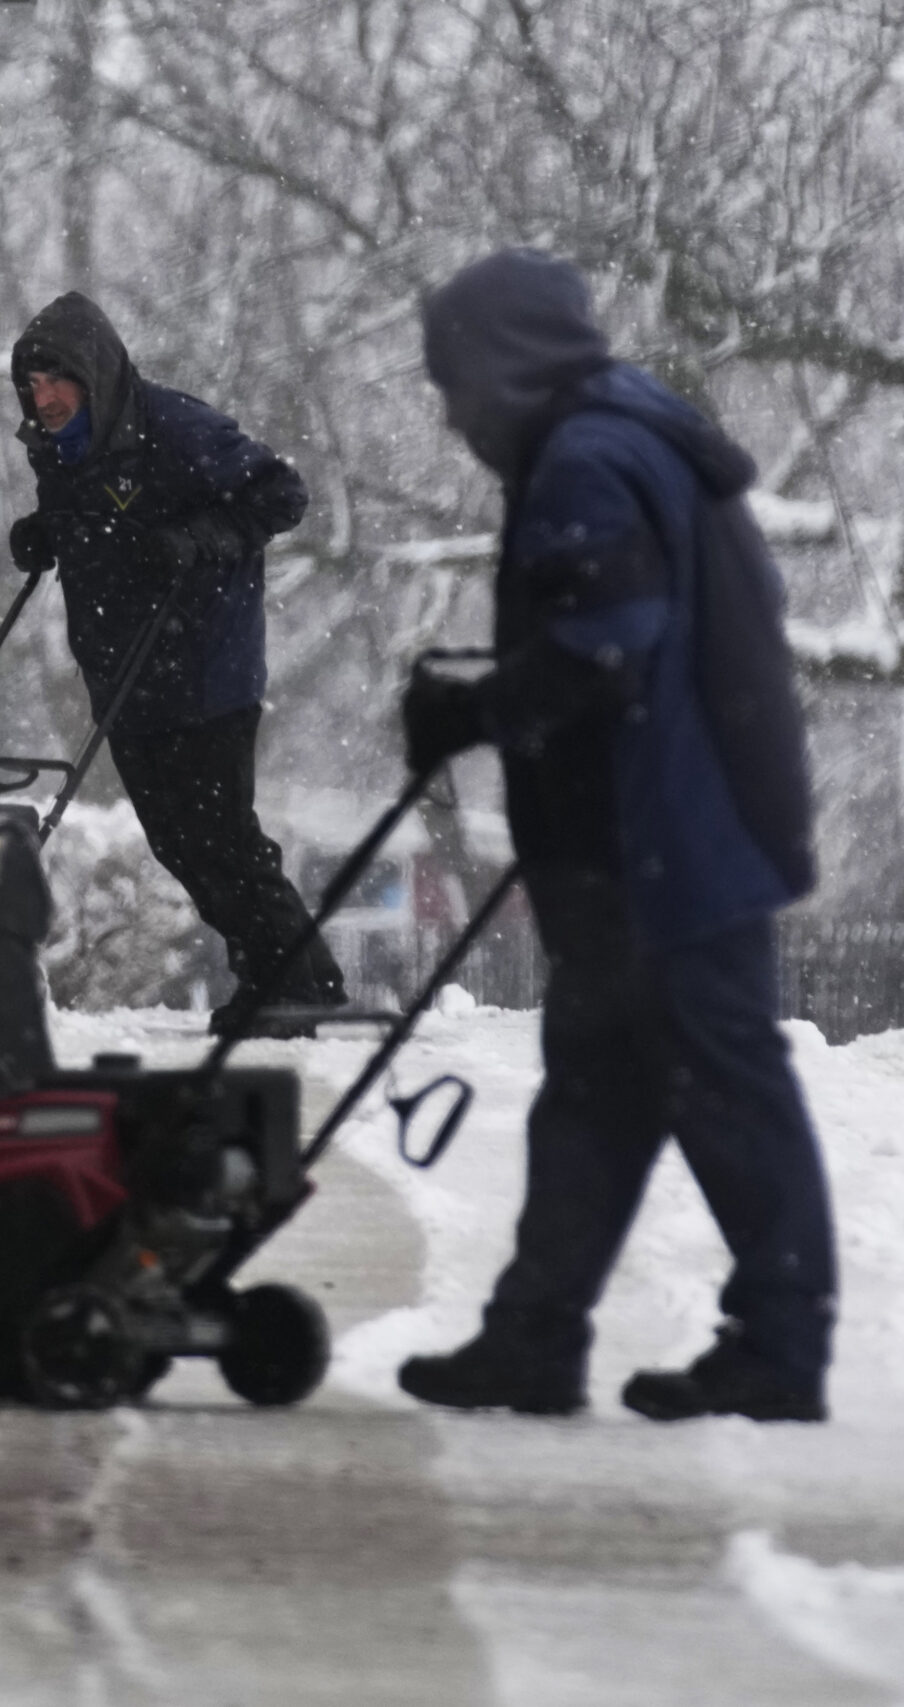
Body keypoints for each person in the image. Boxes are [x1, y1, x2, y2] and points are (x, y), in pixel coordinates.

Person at [397, 248, 837, 1423]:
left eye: (452, 383)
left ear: (503, 367)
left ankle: (779, 1349)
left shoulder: (586, 459)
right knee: (596, 1094)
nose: (450, 416)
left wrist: (474, 710)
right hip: (655, 838)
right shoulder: (625, 434)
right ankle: (533, 1338)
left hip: (666, 845)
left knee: (726, 1089)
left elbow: (606, 644)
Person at [7, 293, 344, 1036]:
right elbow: (97, 529)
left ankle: (301, 984)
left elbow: (281, 495)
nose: (45, 397)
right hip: (125, 679)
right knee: (179, 844)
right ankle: (275, 977)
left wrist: (197, 540)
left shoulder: (174, 427)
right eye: (33, 384)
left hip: (206, 669)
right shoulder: (60, 451)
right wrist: (46, 533)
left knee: (223, 837)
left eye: (57, 379)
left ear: (93, 374)